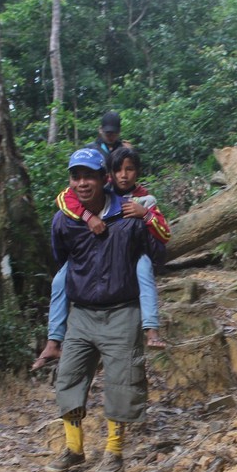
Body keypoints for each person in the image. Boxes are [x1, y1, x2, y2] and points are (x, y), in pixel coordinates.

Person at [45, 147, 166, 472]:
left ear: (104, 179)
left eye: (89, 176)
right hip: (82, 314)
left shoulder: (129, 214)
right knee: (69, 379)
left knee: (122, 383)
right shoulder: (64, 220)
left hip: (122, 311)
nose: (82, 183)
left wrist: (147, 217)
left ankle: (114, 453)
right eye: (76, 177)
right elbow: (61, 258)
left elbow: (157, 254)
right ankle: (74, 450)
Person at [32, 147, 171, 370]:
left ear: (138, 172)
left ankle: (151, 328)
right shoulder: (100, 191)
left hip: (128, 265)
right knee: (60, 280)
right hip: (90, 270)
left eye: (129, 170)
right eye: (118, 170)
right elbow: (63, 198)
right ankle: (53, 340)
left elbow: (164, 235)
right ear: (110, 175)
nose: (123, 175)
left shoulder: (144, 199)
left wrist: (144, 215)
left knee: (144, 269)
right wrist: (87, 217)